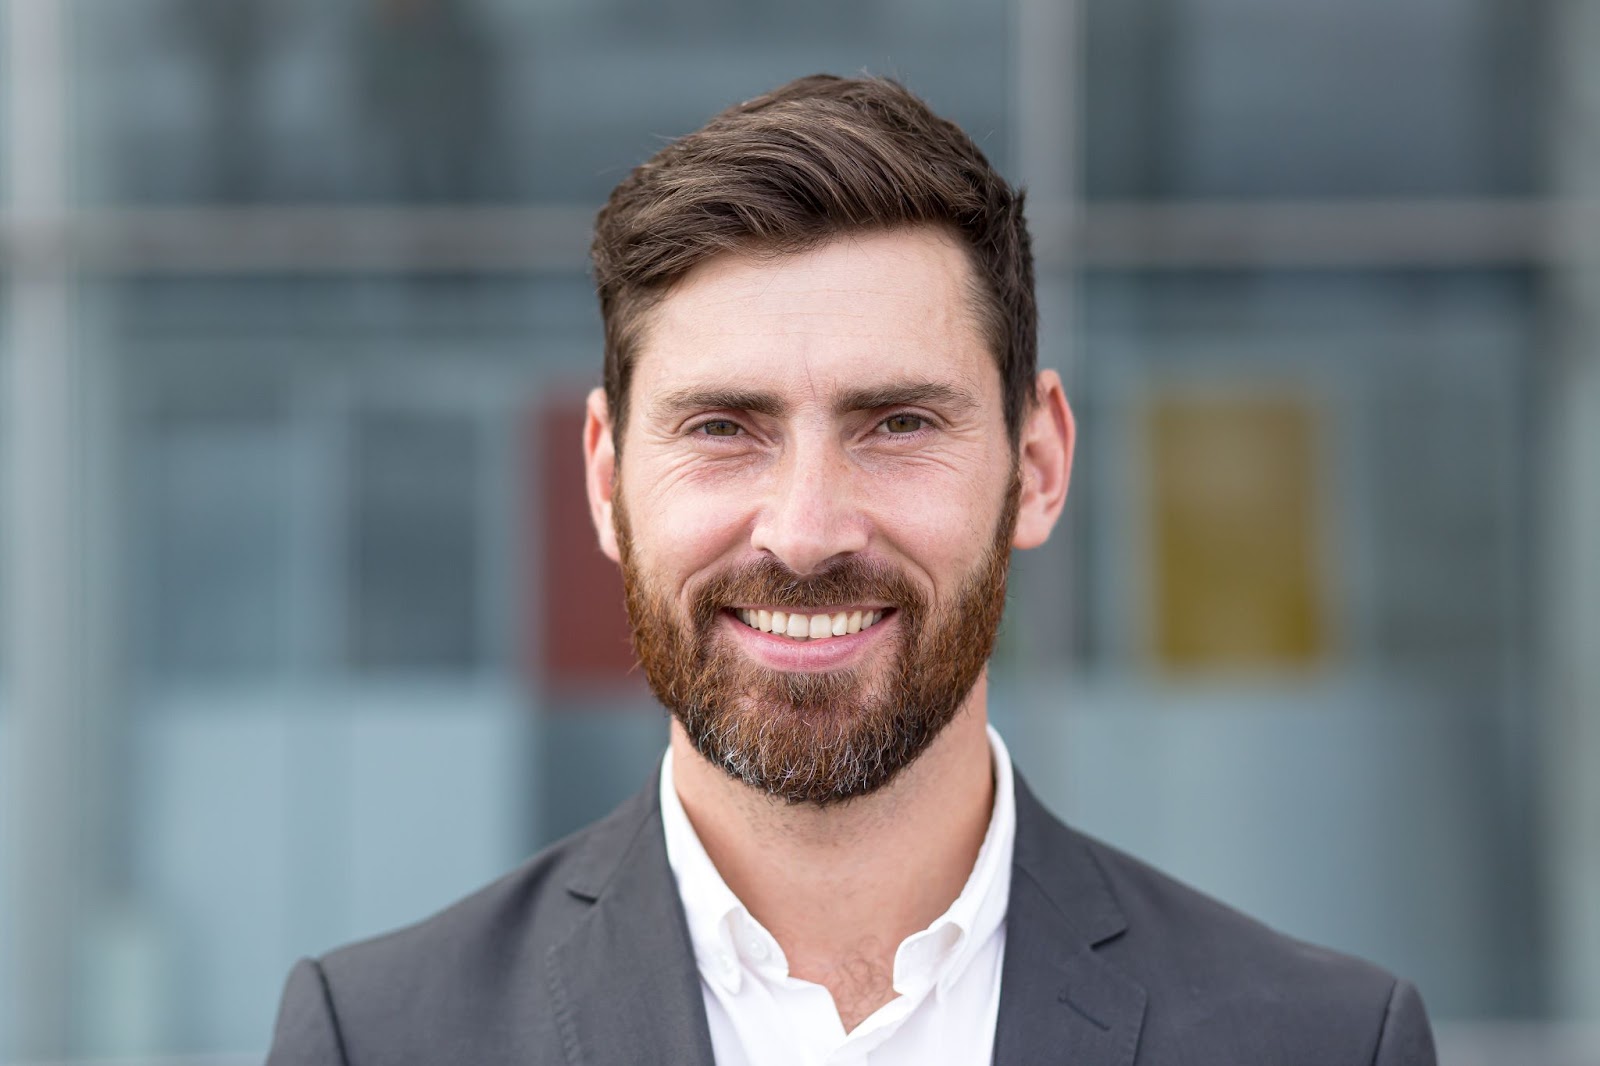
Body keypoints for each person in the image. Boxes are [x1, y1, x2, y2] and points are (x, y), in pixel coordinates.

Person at [265, 74, 1437, 1065]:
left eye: (897, 424)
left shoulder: (1325, 1042)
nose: (807, 530)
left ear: (1035, 466)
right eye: (724, 427)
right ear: (603, 481)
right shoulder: (377, 1039)